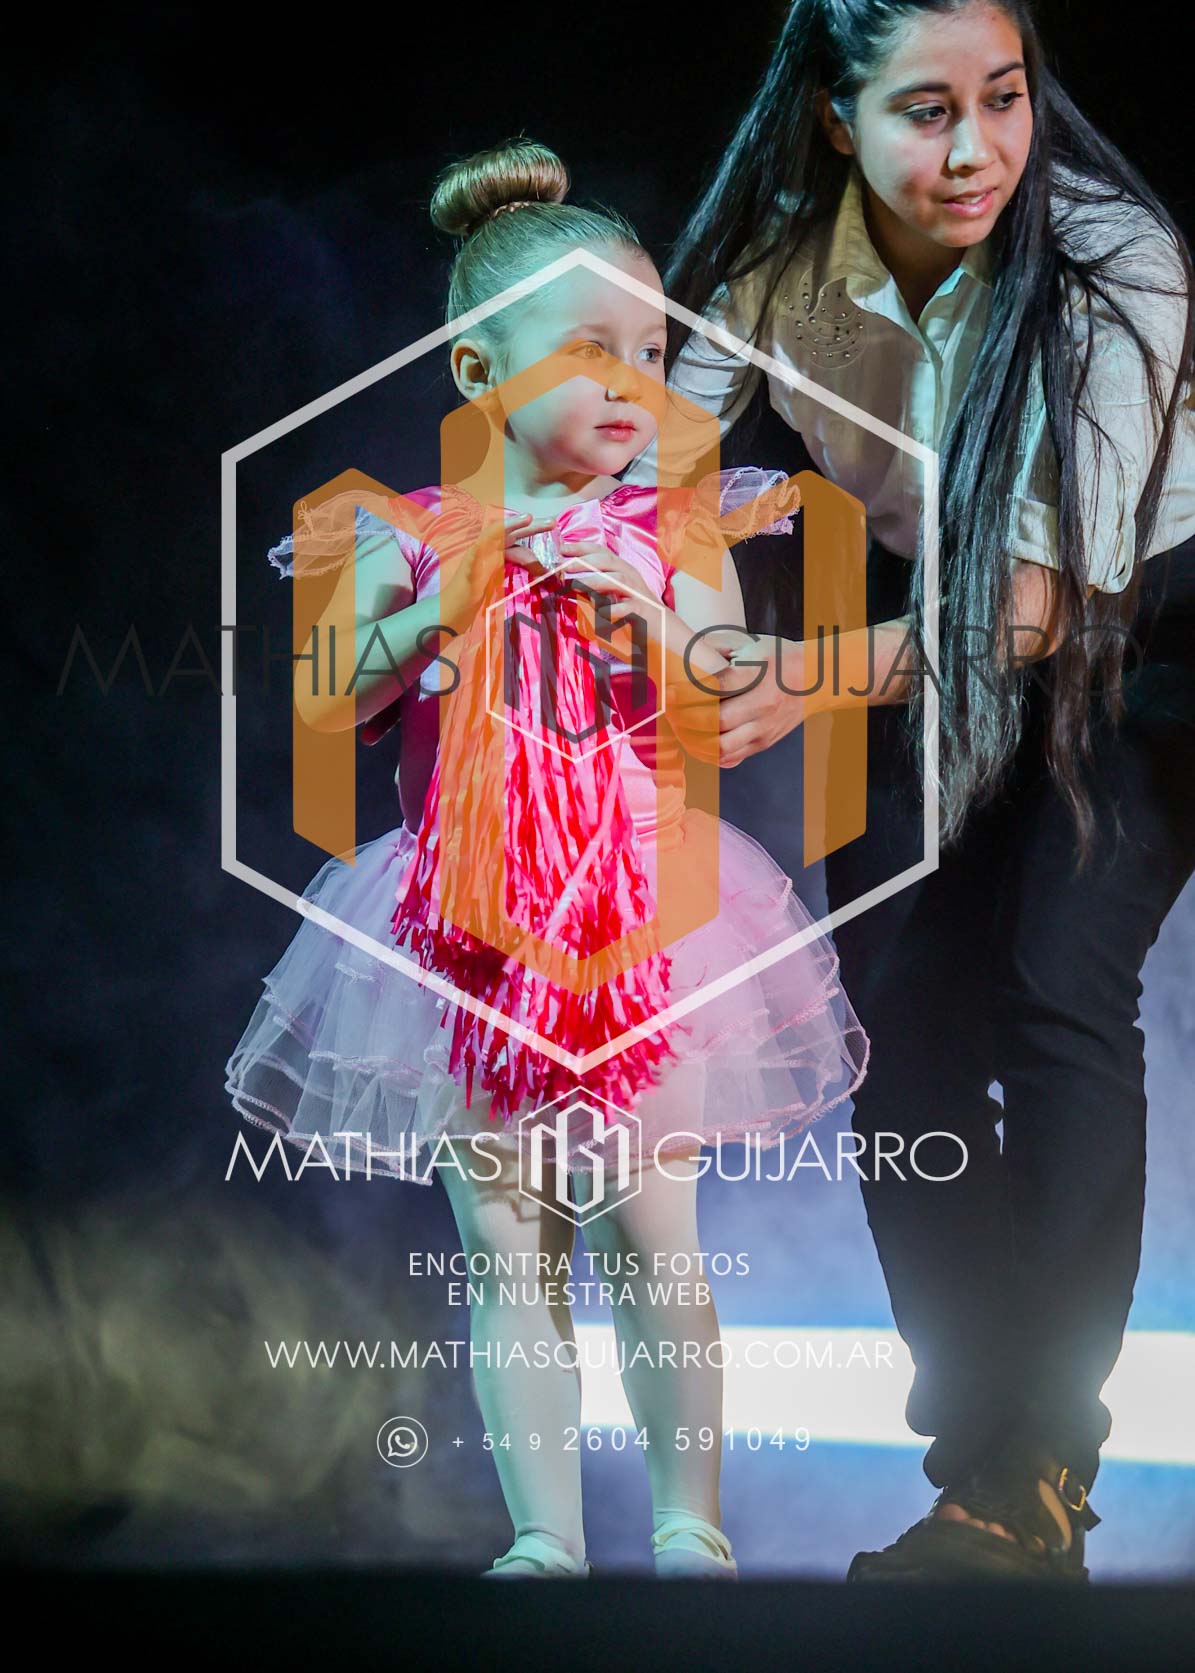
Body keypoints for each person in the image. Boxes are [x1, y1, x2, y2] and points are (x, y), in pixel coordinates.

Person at [224, 138, 869, 1582]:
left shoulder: (677, 529)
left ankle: (692, 1521)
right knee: (510, 1239)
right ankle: (544, 1535)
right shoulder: (409, 532)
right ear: (480, 373)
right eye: (592, 353)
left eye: (654, 352)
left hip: (646, 915)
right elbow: (331, 699)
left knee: (655, 1230)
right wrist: (430, 612)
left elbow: (725, 691)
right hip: (465, 922)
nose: (633, 384)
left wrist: (648, 610)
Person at [624, 0, 1195, 1581]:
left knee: (1055, 979)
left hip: (1139, 626)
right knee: (893, 1030)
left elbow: (1042, 609)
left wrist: (796, 678)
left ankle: (1036, 1478)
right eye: (926, 110)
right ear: (834, 116)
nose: (976, 151)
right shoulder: (770, 269)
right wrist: (702, 637)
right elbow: (662, 487)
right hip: (920, 620)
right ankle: (981, 1467)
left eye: (1004, 98)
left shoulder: (1116, 260)